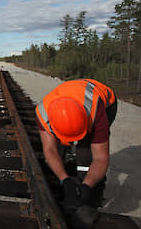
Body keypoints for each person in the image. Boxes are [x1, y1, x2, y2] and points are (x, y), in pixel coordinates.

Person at [35, 78, 117, 224]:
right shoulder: (43, 113)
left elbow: (101, 158)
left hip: (105, 101)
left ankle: (93, 199)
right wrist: (64, 179)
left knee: (86, 153)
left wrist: (87, 185)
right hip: (70, 98)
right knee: (58, 152)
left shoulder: (96, 112)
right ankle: (67, 187)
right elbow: (50, 150)